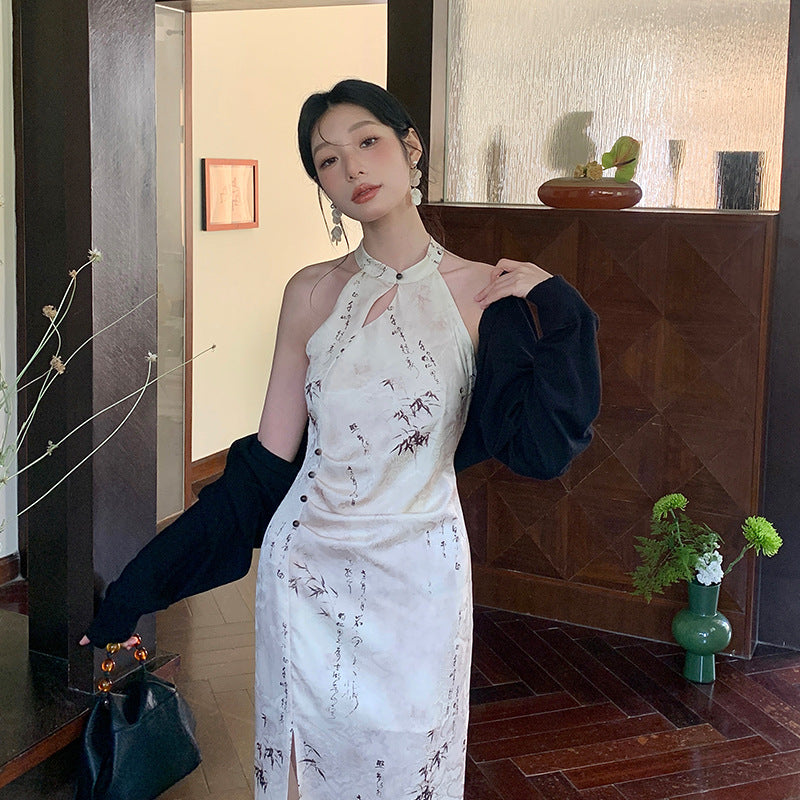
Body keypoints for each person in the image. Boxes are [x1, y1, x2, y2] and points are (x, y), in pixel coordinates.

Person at [81, 79, 601, 800]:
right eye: (328, 159)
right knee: (299, 777)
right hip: (305, 575)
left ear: (411, 147)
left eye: (368, 141)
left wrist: (560, 305)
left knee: (409, 775)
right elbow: (263, 470)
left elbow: (542, 450)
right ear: (322, 185)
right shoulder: (310, 293)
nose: (352, 166)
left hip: (419, 582)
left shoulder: (485, 295)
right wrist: (137, 589)